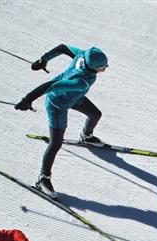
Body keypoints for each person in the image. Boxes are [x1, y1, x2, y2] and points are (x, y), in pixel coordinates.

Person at [14, 44, 109, 198]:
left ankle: (86, 136)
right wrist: (27, 100)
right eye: (103, 67)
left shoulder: (83, 55)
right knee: (56, 143)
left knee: (96, 115)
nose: (106, 68)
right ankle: (43, 179)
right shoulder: (81, 81)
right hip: (57, 104)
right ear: (93, 68)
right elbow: (51, 86)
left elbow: (63, 47)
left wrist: (43, 59)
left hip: (74, 98)